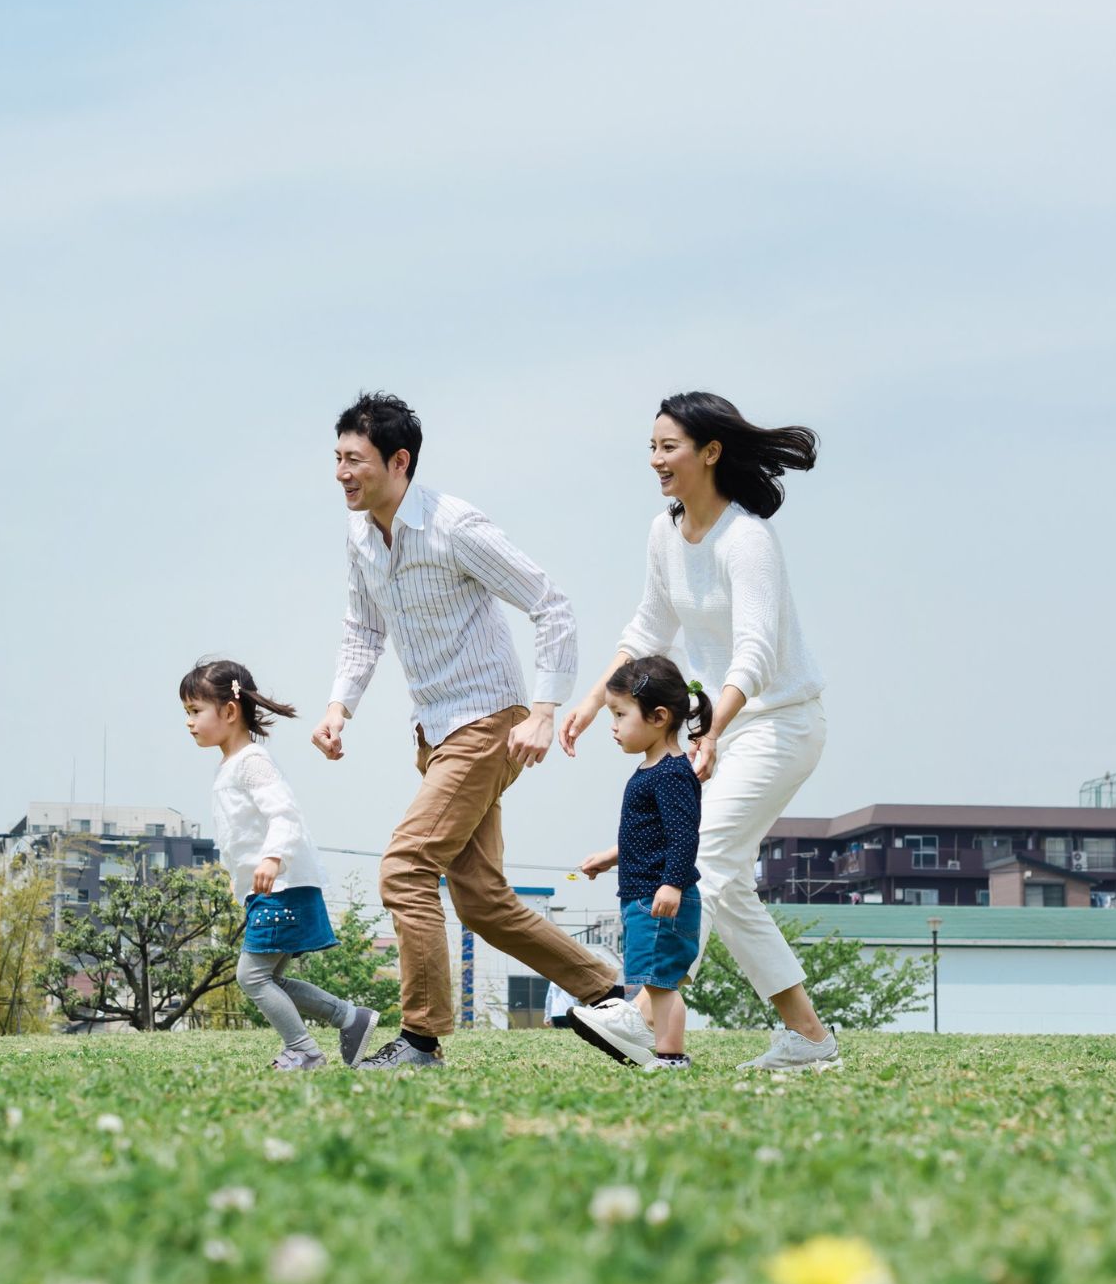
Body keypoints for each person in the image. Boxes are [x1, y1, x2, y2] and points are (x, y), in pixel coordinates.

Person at [313, 392, 624, 1068]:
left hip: (489, 721)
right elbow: (362, 626)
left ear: (399, 462)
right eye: (336, 458)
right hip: (436, 732)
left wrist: (544, 708)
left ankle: (421, 1040)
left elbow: (550, 604)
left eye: (354, 460)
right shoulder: (362, 533)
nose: (341, 473)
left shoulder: (453, 526)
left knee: (404, 867)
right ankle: (608, 994)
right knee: (481, 901)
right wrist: (341, 705)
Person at [561, 391, 840, 1072]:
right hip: (718, 729)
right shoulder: (666, 532)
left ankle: (639, 1015)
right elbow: (647, 629)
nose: (656, 461)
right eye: (651, 448)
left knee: (701, 864)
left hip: (778, 724)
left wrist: (711, 729)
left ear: (710, 452)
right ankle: (808, 1037)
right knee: (728, 885)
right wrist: (596, 700)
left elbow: (757, 653)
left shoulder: (746, 540)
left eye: (669, 447)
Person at [181, 658, 382, 1070]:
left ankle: (305, 1050)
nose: (189, 722)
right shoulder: (231, 765)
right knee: (270, 978)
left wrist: (273, 858)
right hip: (270, 890)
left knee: (252, 977)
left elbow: (285, 814)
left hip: (283, 885)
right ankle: (349, 1017)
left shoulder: (252, 762)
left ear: (230, 711)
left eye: (195, 711)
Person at [569, 656, 711, 1070]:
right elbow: (653, 834)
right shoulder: (650, 770)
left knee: (659, 984)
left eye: (619, 714)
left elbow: (685, 836)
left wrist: (671, 884)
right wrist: (611, 856)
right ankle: (655, 1042)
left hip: (659, 897)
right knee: (657, 980)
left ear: (658, 716)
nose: (611, 725)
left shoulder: (670, 773)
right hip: (643, 895)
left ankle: (670, 1055)